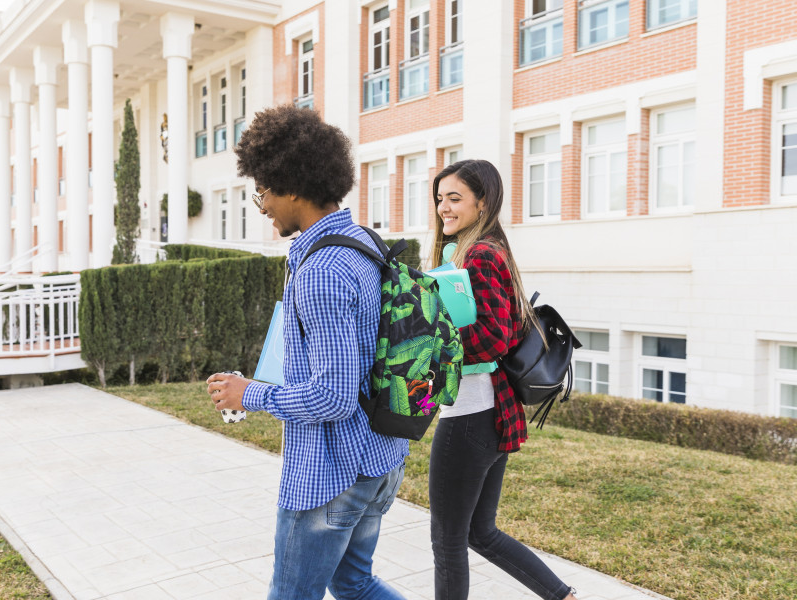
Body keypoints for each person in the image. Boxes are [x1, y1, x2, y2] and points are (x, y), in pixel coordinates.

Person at [205, 105, 408, 600]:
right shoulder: (362, 242)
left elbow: (333, 398)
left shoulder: (320, 271)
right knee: (354, 584)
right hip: (381, 455)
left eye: (264, 190)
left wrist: (251, 394)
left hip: (331, 473)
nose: (261, 204)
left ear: (292, 185)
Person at [426, 159, 578, 600]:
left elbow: (492, 336)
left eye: (454, 198)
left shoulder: (481, 254)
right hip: (490, 414)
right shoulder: (485, 249)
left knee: (448, 540)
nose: (444, 208)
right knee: (480, 531)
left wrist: (433, 336)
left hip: (471, 416)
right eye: (440, 199)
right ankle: (562, 596)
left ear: (483, 201)